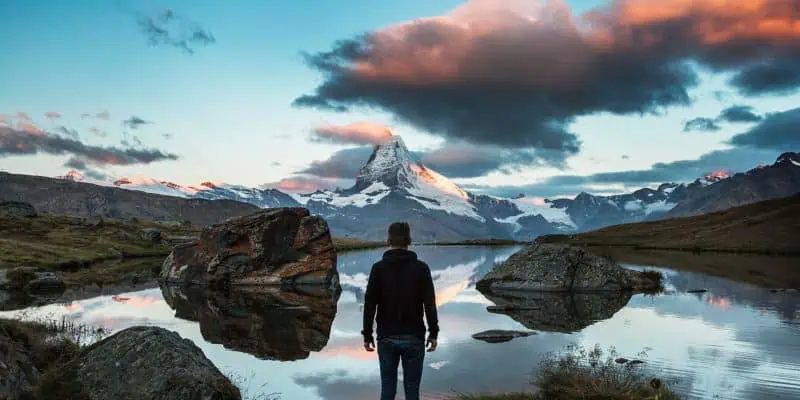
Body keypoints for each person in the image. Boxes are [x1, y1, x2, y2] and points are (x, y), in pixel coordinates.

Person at [362, 222, 439, 400]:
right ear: (409, 240)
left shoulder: (378, 268)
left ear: (388, 241)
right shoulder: (421, 268)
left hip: (386, 336)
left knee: (387, 388)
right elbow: (430, 304)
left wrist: (367, 335)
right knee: (412, 389)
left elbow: (370, 304)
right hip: (414, 336)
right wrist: (433, 333)